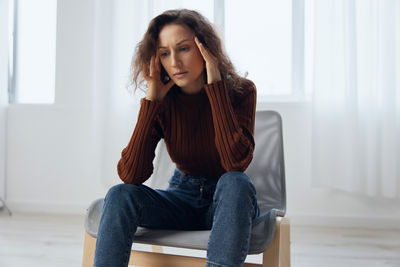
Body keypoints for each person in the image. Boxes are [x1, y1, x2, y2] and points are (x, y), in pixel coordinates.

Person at [93, 8, 259, 267]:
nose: (174, 62)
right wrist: (152, 102)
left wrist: (215, 88)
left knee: (236, 182)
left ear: (205, 48)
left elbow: (234, 163)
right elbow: (131, 175)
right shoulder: (164, 102)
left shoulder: (241, 92)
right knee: (119, 194)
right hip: (183, 196)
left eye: (183, 49)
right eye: (164, 53)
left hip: (228, 202)